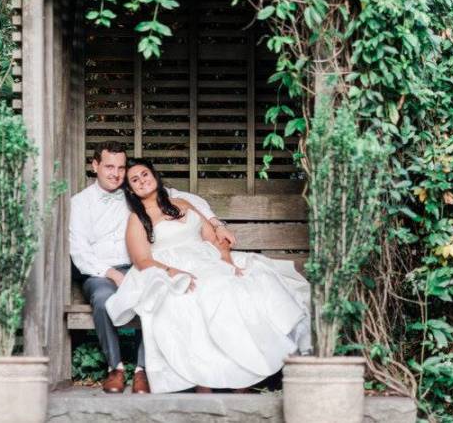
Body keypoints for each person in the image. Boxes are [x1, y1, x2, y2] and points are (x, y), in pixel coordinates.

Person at [105, 158, 311, 393]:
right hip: (171, 266)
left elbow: (213, 238)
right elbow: (142, 260)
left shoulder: (182, 202)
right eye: (135, 179)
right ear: (130, 189)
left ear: (154, 175)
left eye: (144, 174)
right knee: (210, 293)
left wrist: (226, 259)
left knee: (252, 282)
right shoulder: (137, 217)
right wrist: (174, 272)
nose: (142, 180)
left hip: (207, 259)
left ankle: (244, 377)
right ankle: (209, 380)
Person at [69, 142, 236, 394]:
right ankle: (115, 367)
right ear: (95, 166)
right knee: (103, 299)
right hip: (101, 270)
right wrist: (112, 274)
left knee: (159, 293)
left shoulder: (134, 190)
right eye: (109, 167)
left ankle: (142, 370)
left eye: (121, 168)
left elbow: (188, 200)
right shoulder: (80, 203)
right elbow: (80, 251)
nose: (115, 173)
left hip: (142, 266)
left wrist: (216, 222)